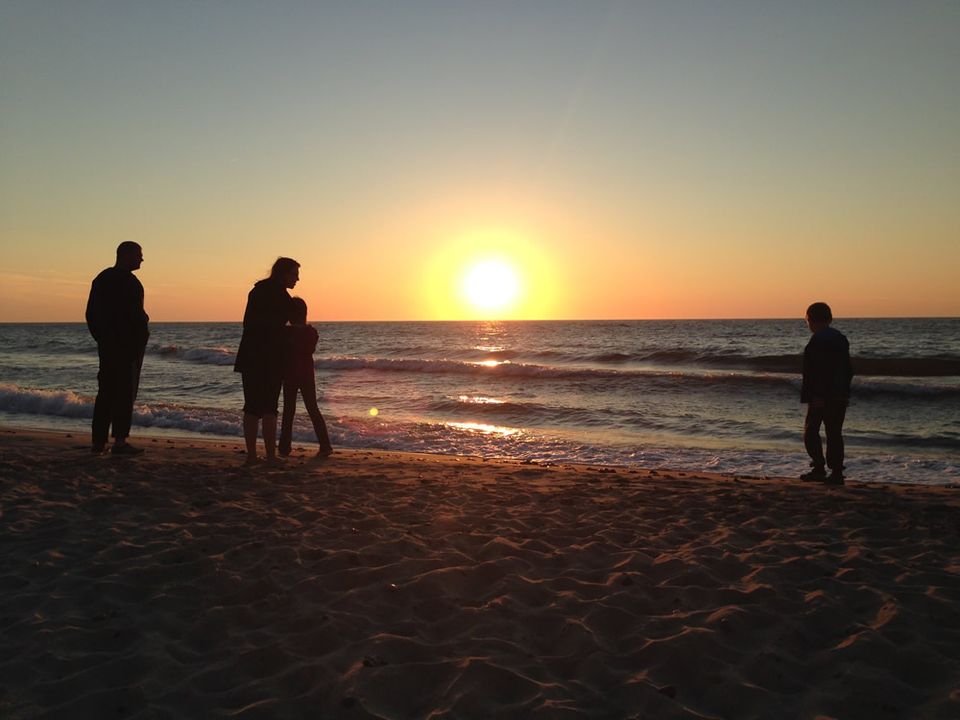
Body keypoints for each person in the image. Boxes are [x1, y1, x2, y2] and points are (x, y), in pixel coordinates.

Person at [85, 241, 150, 455]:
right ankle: (119, 441)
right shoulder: (130, 283)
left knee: (105, 393)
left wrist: (102, 339)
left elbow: (91, 314)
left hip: (109, 346)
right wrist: (137, 340)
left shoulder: (102, 279)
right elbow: (136, 317)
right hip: (126, 347)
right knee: (124, 394)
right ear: (126, 255)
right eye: (139, 255)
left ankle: (98, 441)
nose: (142, 259)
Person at [234, 257, 300, 465]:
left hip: (250, 355)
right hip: (271, 357)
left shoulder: (257, 291)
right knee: (270, 407)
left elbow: (248, 323)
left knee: (252, 407)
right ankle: (270, 456)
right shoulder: (283, 298)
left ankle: (252, 455)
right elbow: (294, 324)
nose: (297, 279)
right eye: (294, 274)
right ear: (284, 274)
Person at [800, 302, 853, 485]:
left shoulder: (819, 340)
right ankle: (836, 472)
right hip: (839, 394)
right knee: (834, 433)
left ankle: (819, 467)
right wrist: (844, 391)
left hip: (822, 395)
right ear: (829, 319)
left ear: (809, 319)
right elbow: (847, 370)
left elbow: (818, 371)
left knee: (811, 431)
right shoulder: (840, 338)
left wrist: (817, 395)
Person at [278, 297, 334, 458]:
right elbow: (308, 349)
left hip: (290, 374)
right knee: (313, 408)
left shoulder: (287, 332)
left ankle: (284, 447)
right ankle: (325, 445)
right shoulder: (311, 332)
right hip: (307, 375)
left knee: (289, 410)